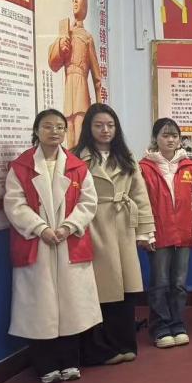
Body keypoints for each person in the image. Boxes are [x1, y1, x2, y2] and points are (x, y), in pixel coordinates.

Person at [4, 110, 102, 383]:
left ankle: (70, 361)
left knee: (72, 305)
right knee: (40, 306)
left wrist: (68, 226)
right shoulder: (21, 167)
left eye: (60, 127)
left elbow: (88, 202)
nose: (55, 132)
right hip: (37, 243)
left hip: (68, 240)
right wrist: (40, 228)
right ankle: (45, 365)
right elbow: (14, 204)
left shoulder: (77, 166)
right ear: (36, 131)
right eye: (48, 126)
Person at [74, 104, 156, 366]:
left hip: (122, 225)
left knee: (126, 288)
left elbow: (140, 195)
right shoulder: (77, 158)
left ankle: (124, 343)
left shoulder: (126, 156)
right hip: (93, 226)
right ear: (88, 128)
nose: (105, 130)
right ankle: (101, 348)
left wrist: (146, 231)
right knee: (100, 290)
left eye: (110, 125)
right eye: (98, 125)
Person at [140, 118, 192, 349]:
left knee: (179, 284)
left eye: (174, 136)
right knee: (160, 283)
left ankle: (177, 324)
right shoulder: (144, 167)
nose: (170, 140)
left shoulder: (189, 166)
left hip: (184, 234)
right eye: (165, 135)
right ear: (155, 138)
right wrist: (146, 234)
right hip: (159, 234)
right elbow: (142, 205)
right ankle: (160, 327)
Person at [47, 0, 103, 148]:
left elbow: (97, 76)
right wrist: (61, 46)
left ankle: (81, 160)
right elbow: (54, 64)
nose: (75, 2)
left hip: (81, 83)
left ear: (84, 3)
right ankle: (71, 160)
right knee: (69, 126)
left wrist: (100, 106)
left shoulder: (87, 37)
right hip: (69, 83)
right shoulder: (66, 33)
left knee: (80, 124)